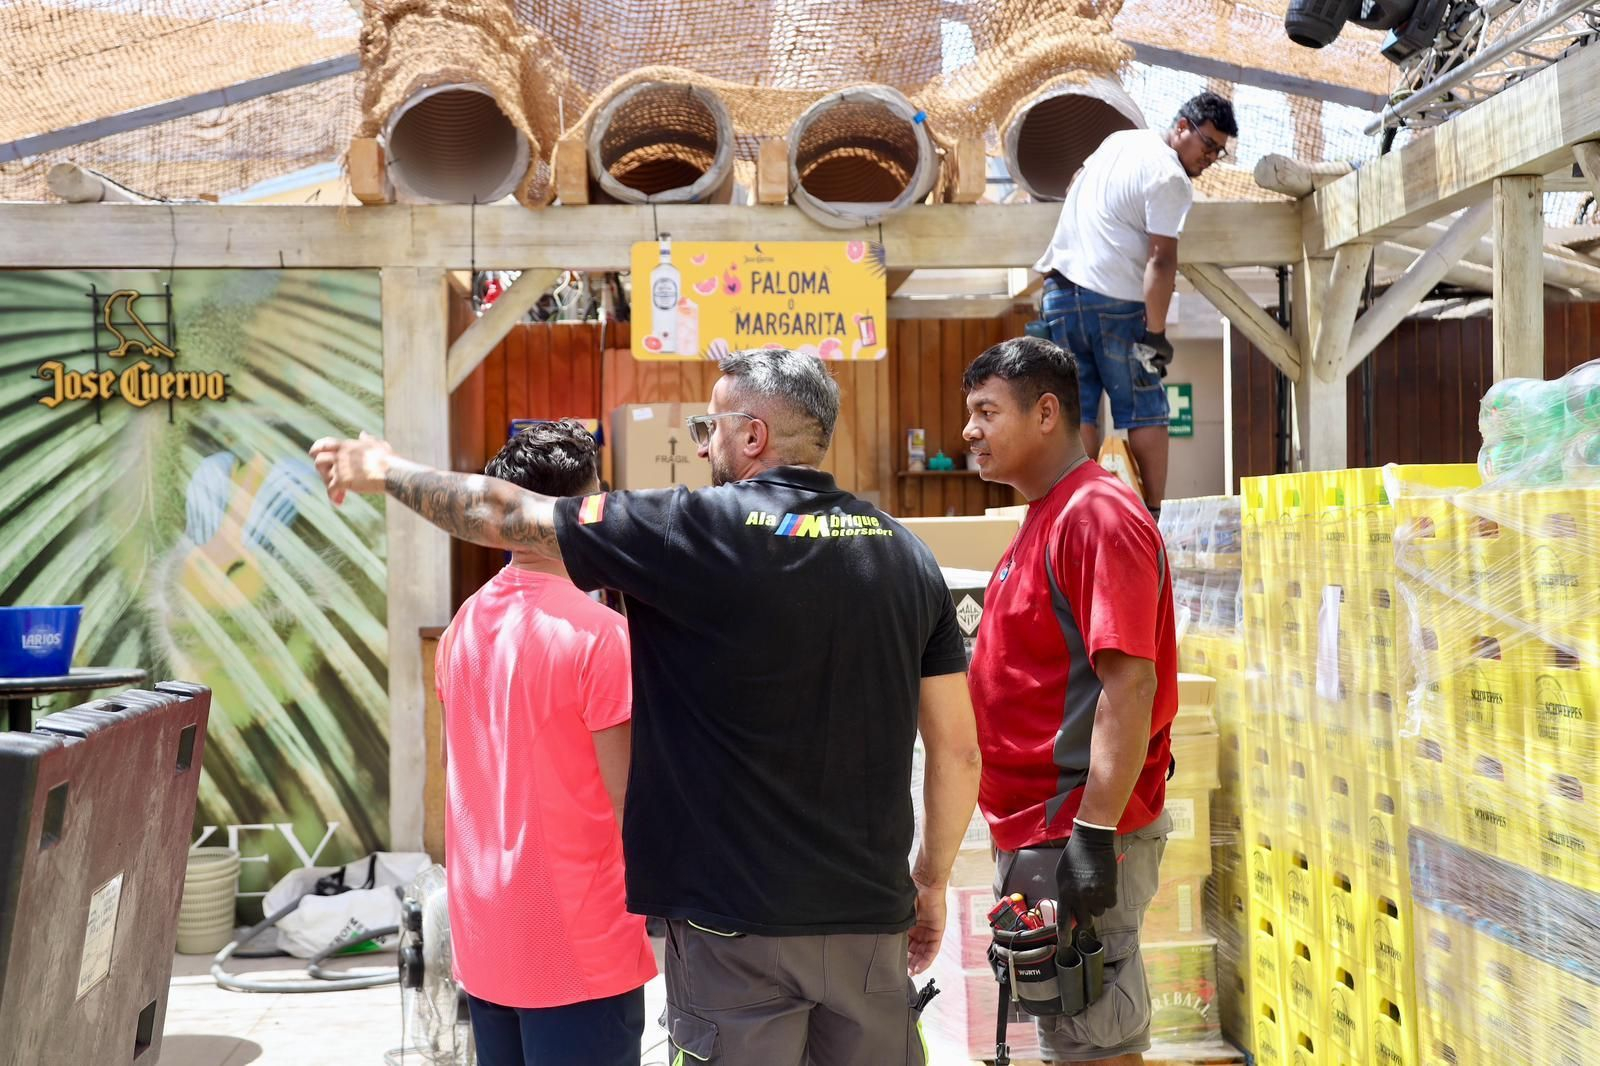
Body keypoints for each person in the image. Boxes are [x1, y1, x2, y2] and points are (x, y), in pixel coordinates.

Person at [312, 348, 983, 1066]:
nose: (701, 442)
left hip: (732, 935)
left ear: (753, 436)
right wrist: (931, 881)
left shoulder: (689, 532)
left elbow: (502, 512)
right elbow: (957, 749)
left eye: (711, 424)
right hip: (868, 928)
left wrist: (384, 471)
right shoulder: (908, 557)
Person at [960, 337, 1179, 1065]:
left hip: (1078, 831)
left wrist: (1092, 832)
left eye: (987, 411)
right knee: (1063, 1028)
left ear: (1046, 411)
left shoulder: (1096, 515)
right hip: (1040, 834)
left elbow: (1130, 682)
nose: (970, 430)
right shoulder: (1047, 516)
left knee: (1093, 1037)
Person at [434, 419, 654, 1066]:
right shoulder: (598, 634)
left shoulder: (464, 622)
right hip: (577, 942)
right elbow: (629, 806)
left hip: (486, 933)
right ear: (585, 510)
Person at [1033, 90, 1239, 517]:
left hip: (1058, 292)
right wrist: (1156, 335)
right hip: (1114, 302)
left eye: (1219, 151)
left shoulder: (1120, 141)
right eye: (1208, 145)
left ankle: (1076, 510)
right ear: (1182, 127)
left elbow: (1074, 182)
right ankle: (1153, 513)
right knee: (1146, 407)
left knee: (1077, 407)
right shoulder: (1170, 178)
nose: (1211, 158)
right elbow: (1161, 260)